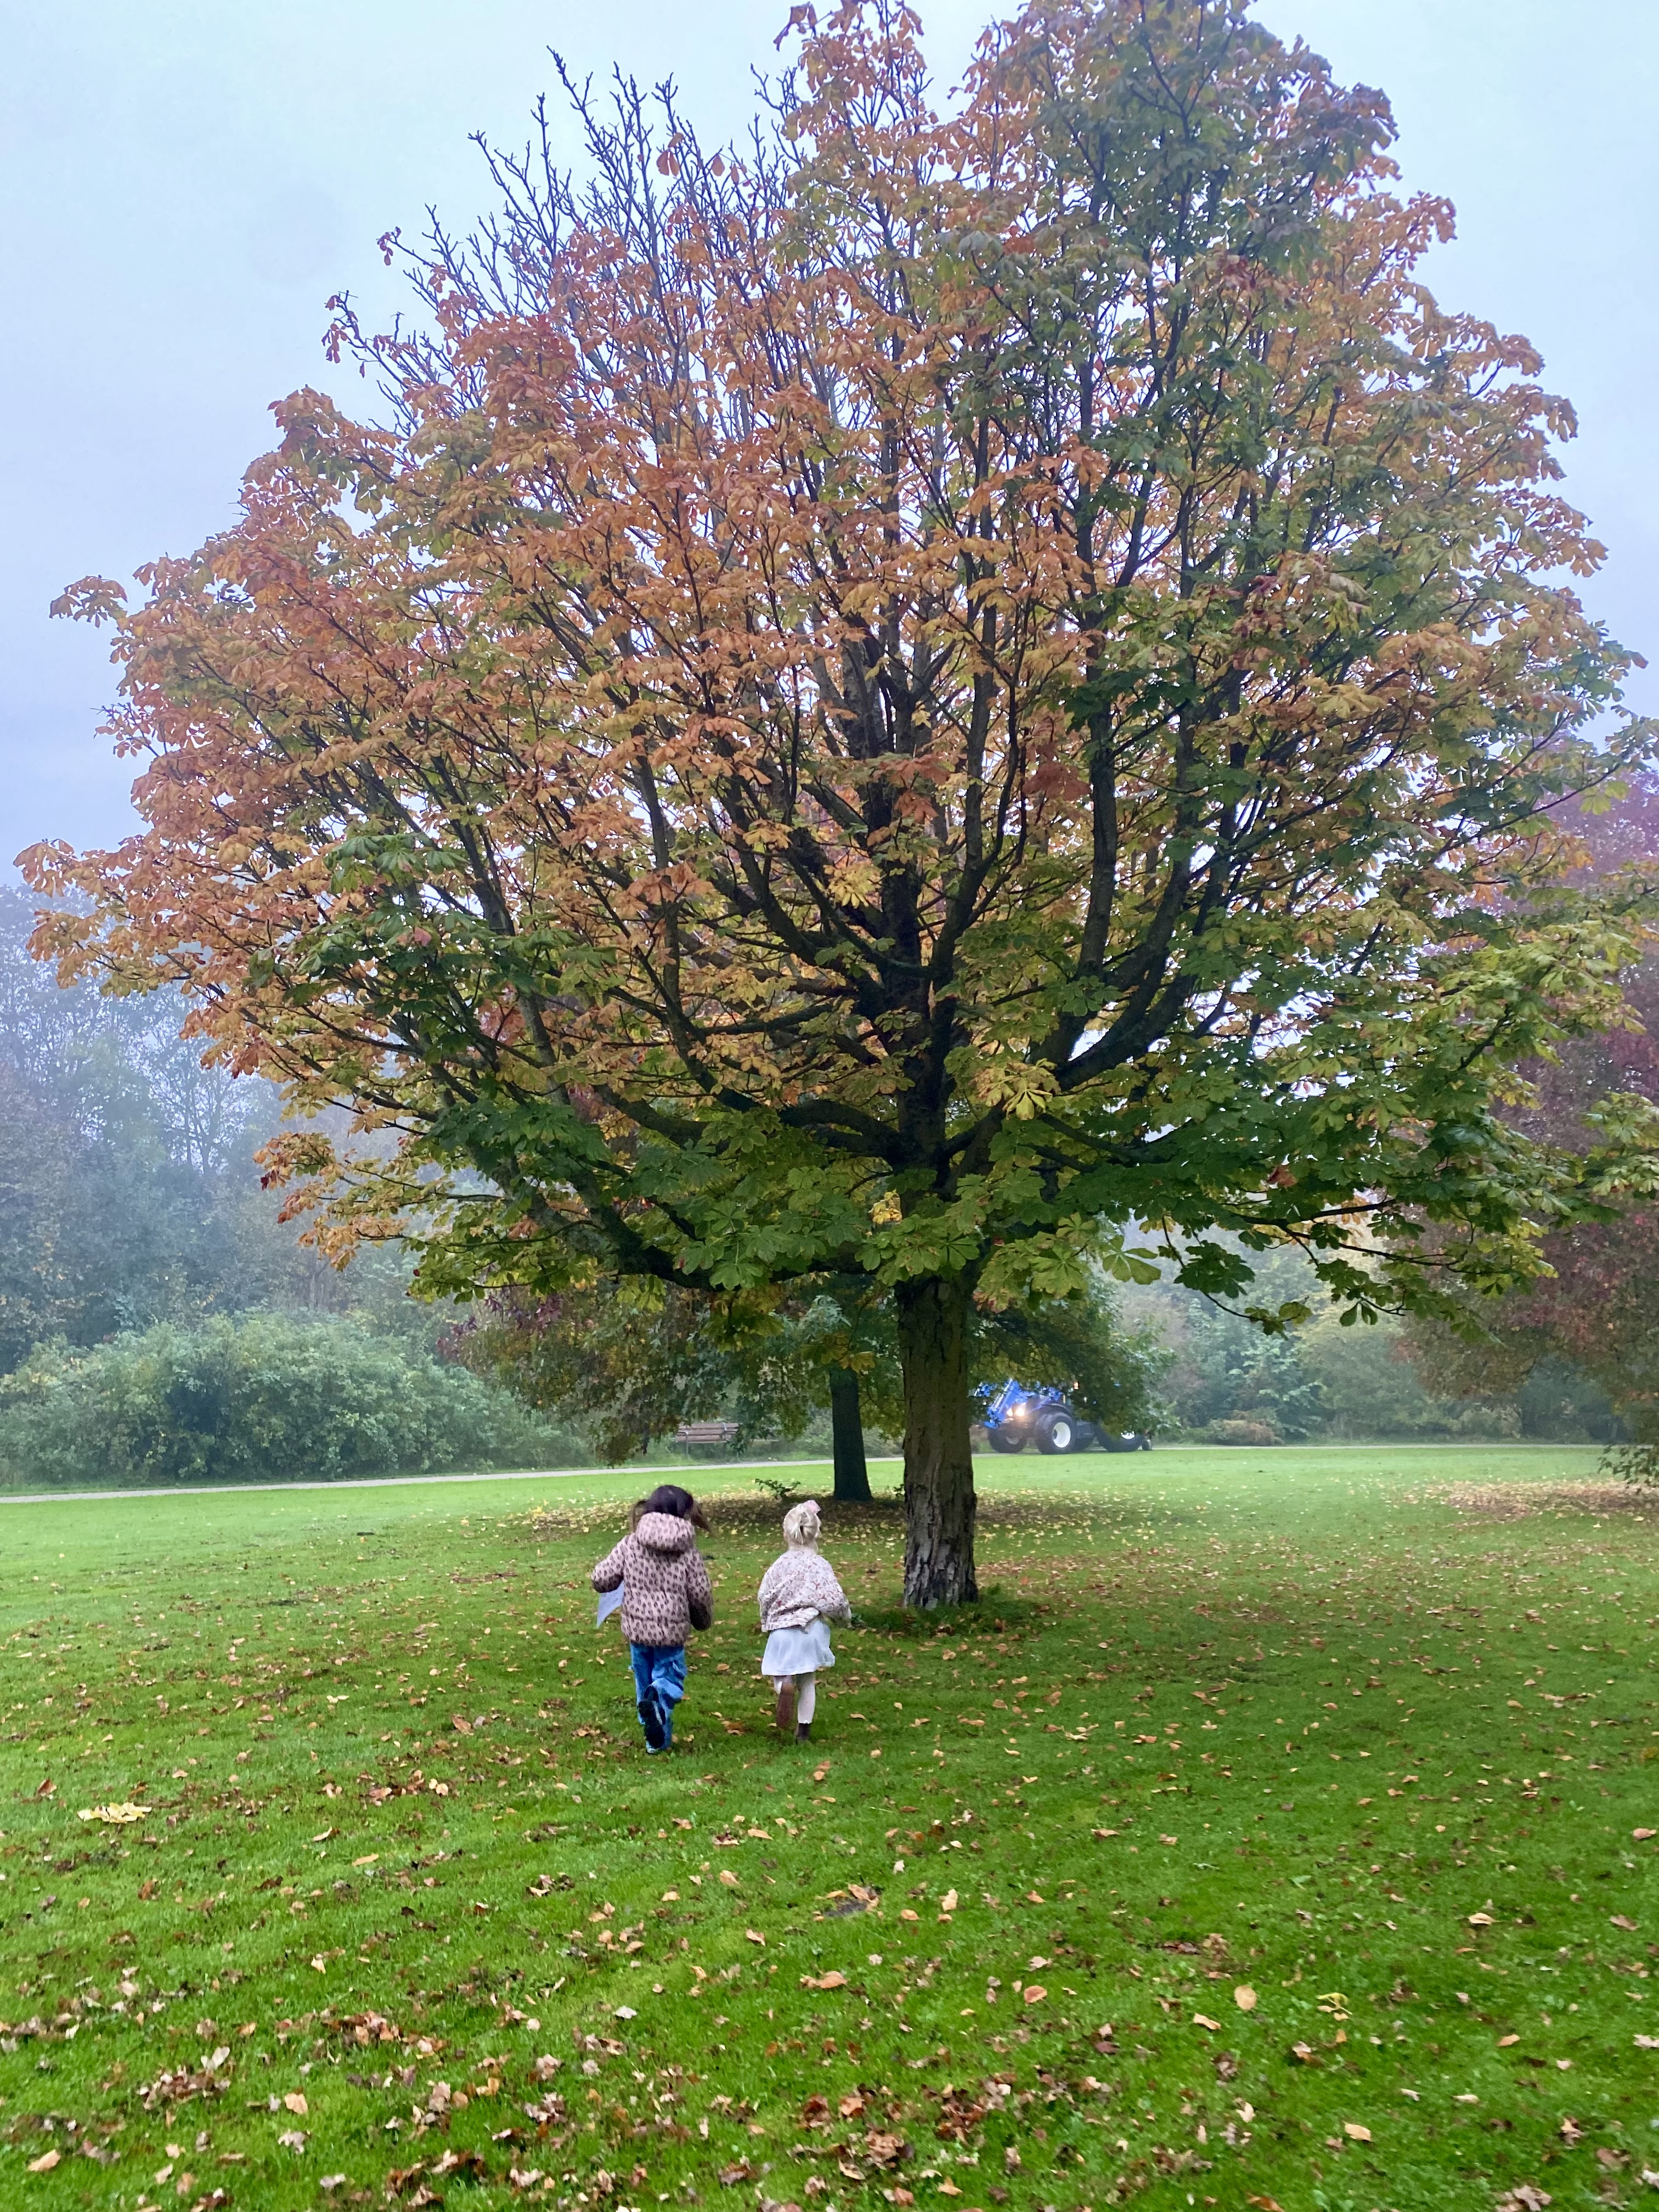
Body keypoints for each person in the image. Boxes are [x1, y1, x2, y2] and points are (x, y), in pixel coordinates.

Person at [591, 1485, 713, 1753]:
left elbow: (601, 1578)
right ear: (684, 1515)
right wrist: (703, 1620)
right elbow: (700, 1592)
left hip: (636, 1631)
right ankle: (657, 1707)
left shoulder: (629, 1544)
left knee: (644, 1683)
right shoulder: (687, 1552)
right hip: (671, 1633)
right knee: (668, 1679)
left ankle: (655, 1742)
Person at [756, 1499, 850, 1742]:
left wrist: (767, 1620)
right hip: (810, 1629)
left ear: (785, 1534)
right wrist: (844, 1619)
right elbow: (834, 1600)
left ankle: (783, 1688)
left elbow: (764, 1596)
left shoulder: (778, 1566)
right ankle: (804, 1732)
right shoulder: (819, 1565)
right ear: (816, 1532)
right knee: (808, 1680)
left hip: (782, 1632)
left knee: (780, 1673)